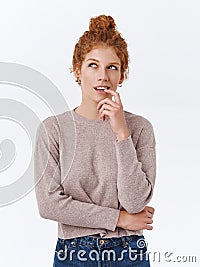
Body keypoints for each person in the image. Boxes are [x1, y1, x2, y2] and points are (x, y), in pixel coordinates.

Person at [34, 14, 156, 266]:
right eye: (93, 65)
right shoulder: (53, 130)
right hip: (75, 253)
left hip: (128, 252)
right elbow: (49, 205)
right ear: (78, 70)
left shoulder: (140, 128)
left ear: (121, 76)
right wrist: (120, 219)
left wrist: (122, 133)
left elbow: (135, 202)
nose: (103, 76)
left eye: (112, 67)